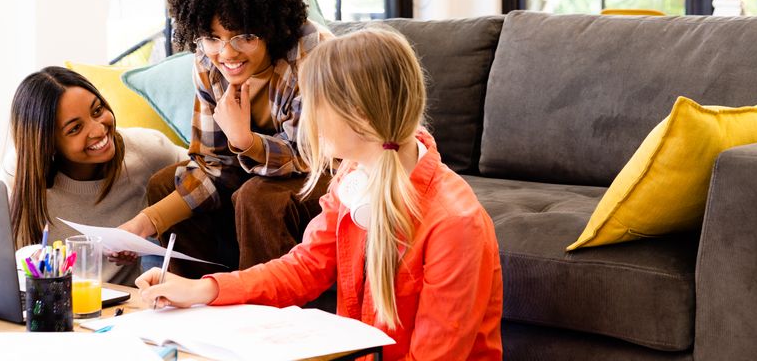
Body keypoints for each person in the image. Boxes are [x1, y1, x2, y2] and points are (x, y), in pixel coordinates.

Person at [135, 27, 504, 361]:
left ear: (358, 115)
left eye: (315, 105)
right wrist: (202, 290)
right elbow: (304, 268)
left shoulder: (455, 224)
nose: (306, 120)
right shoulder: (353, 176)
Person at [118, 0, 333, 272]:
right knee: (165, 184)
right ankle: (193, 300)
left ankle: (260, 309)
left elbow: (310, 157)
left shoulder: (311, 53)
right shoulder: (206, 61)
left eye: (243, 37)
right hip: (262, 169)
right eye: (212, 38)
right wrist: (143, 224)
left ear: (269, 28)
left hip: (327, 172)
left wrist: (245, 141)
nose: (226, 53)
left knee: (259, 197)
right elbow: (214, 164)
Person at [7, 66, 186, 285]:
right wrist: (30, 256)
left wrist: (147, 232)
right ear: (48, 144)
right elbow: (3, 254)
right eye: (75, 129)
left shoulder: (145, 151)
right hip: (51, 304)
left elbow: (207, 175)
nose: (99, 130)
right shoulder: (20, 170)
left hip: (124, 306)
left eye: (97, 110)